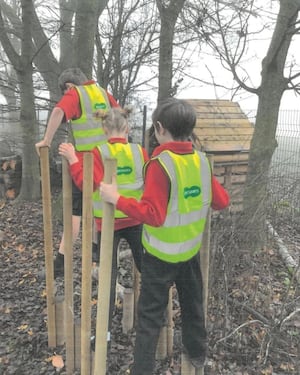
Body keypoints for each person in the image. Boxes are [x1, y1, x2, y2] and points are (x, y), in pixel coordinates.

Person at [100, 98, 230, 374]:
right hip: (190, 254)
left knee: (149, 318)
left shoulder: (160, 164)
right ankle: (197, 355)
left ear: (159, 128)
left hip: (159, 258)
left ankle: (142, 369)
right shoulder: (202, 162)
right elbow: (222, 201)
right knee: (193, 305)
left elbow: (153, 214)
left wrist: (117, 198)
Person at [58, 106, 149, 339]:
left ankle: (104, 333)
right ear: (127, 128)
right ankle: (151, 323)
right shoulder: (140, 152)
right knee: (148, 272)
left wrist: (72, 159)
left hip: (109, 224)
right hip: (136, 219)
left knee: (108, 277)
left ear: (103, 128)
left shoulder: (99, 153)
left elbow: (86, 183)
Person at [35, 67, 119, 278]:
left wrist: (46, 141)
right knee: (97, 209)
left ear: (69, 86)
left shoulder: (77, 94)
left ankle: (61, 264)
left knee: (74, 213)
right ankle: (96, 261)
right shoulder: (103, 93)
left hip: (85, 164)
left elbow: (57, 112)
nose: (66, 96)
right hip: (108, 162)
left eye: (65, 92)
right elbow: (120, 119)